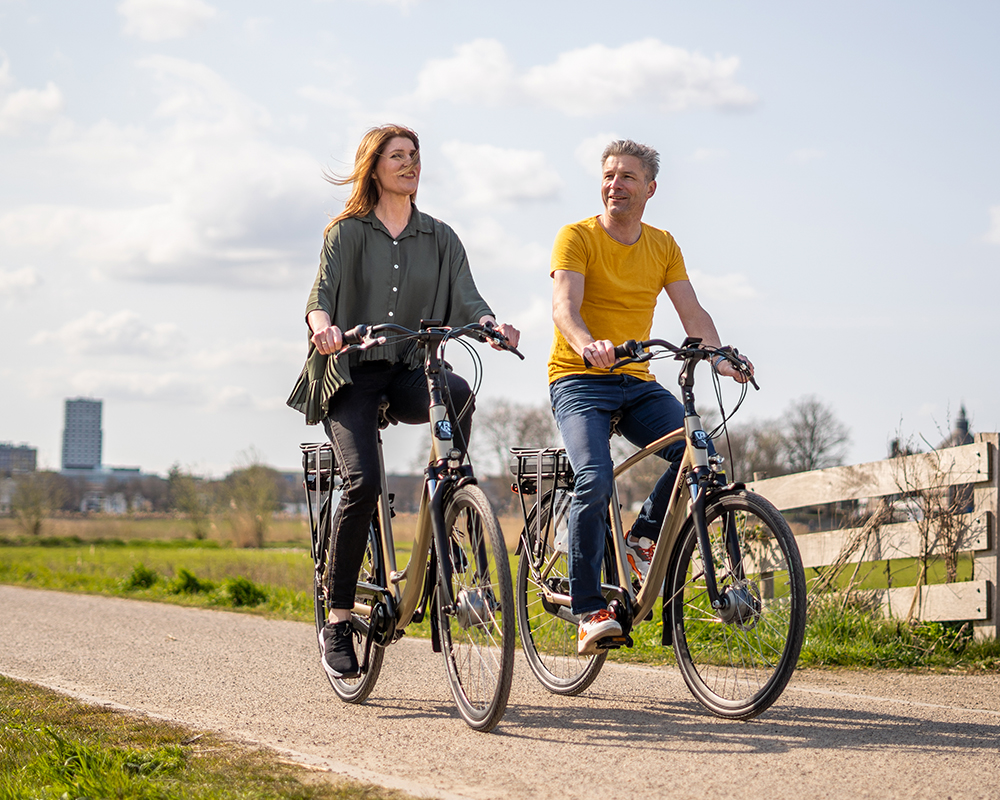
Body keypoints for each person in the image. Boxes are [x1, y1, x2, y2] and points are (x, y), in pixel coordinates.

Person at [287, 124, 520, 680]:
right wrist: (324, 328)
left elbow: (468, 297)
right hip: (350, 373)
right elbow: (320, 297)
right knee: (363, 482)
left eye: (415, 156)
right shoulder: (346, 234)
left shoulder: (439, 237)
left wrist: (491, 326)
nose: (411, 164)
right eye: (399, 156)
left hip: (412, 367)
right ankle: (338, 618)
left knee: (458, 391)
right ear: (375, 167)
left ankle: (449, 502)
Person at [547, 139, 752, 655]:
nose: (615, 184)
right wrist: (586, 343)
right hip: (579, 377)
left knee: (699, 447)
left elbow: (691, 312)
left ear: (650, 188)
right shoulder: (576, 236)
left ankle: (641, 538)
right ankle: (589, 608)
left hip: (635, 381)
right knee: (594, 478)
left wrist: (720, 355)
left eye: (628, 177)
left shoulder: (663, 245)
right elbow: (564, 306)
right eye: (609, 175)